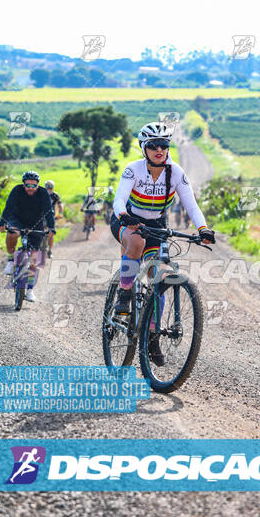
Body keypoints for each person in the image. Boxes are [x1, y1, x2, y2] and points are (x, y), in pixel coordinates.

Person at [110, 122, 215, 366]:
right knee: (135, 243)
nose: (159, 149)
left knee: (159, 276)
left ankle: (152, 336)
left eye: (164, 145)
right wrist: (125, 217)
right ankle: (124, 293)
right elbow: (119, 201)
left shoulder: (176, 172)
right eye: (153, 145)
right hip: (128, 220)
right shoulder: (132, 170)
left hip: (157, 224)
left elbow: (191, 203)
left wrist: (203, 228)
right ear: (144, 148)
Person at [0, 171, 55, 302]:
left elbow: (49, 212)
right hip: (17, 218)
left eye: (33, 186)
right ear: (23, 184)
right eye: (28, 185)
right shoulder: (17, 190)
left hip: (36, 222)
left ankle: (30, 290)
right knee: (13, 232)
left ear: (38, 185)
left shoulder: (43, 193)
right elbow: (8, 207)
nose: (30, 188)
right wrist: (2, 222)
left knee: (35, 258)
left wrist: (51, 227)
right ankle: (11, 259)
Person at [44, 180, 63, 258]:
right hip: (41, 216)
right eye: (48, 188)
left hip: (51, 216)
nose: (49, 189)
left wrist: (60, 214)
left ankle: (50, 250)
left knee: (51, 233)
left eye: (50, 188)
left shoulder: (55, 195)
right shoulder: (42, 195)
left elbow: (60, 205)